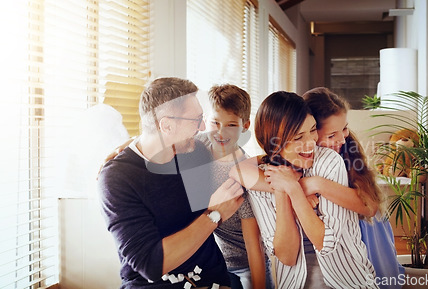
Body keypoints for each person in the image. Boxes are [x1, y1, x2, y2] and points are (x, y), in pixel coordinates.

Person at [97, 77, 244, 289]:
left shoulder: (195, 151)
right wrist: (215, 214)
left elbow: (241, 160)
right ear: (166, 125)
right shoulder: (117, 179)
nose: (203, 127)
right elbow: (151, 264)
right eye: (196, 120)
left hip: (215, 279)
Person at [230, 91, 378, 289]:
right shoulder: (260, 178)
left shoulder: (329, 160)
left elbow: (326, 243)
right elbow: (287, 257)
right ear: (274, 143)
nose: (311, 143)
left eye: (313, 129)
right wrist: (283, 190)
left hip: (348, 280)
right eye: (298, 137)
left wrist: (296, 188)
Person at [302, 87, 404, 289]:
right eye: (332, 135)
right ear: (310, 133)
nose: (342, 138)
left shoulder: (346, 150)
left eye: (345, 128)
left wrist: (316, 184)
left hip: (365, 231)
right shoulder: (302, 158)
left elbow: (369, 206)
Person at [195, 84, 269, 289]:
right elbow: (163, 141)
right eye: (215, 122)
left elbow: (253, 242)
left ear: (245, 126)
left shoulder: (243, 174)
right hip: (216, 261)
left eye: (231, 125)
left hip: (245, 264)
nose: (220, 132)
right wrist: (126, 146)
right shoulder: (199, 143)